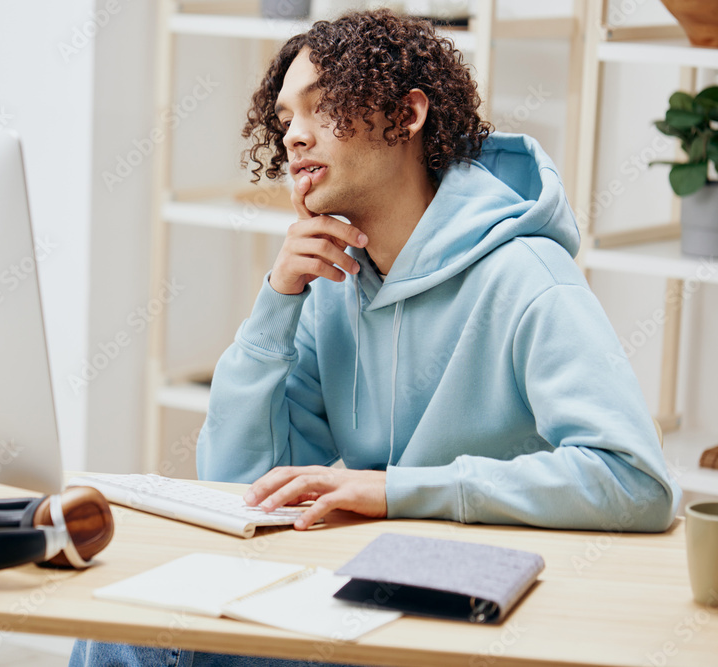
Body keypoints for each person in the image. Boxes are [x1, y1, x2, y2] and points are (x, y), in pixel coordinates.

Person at [71, 8, 679, 667]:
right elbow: (238, 479)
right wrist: (276, 304)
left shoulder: (527, 276)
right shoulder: (333, 284)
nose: (294, 139)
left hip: (485, 613)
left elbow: (635, 479)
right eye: (283, 122)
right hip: (367, 586)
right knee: (121, 629)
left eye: (320, 107)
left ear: (407, 115)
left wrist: (396, 489)